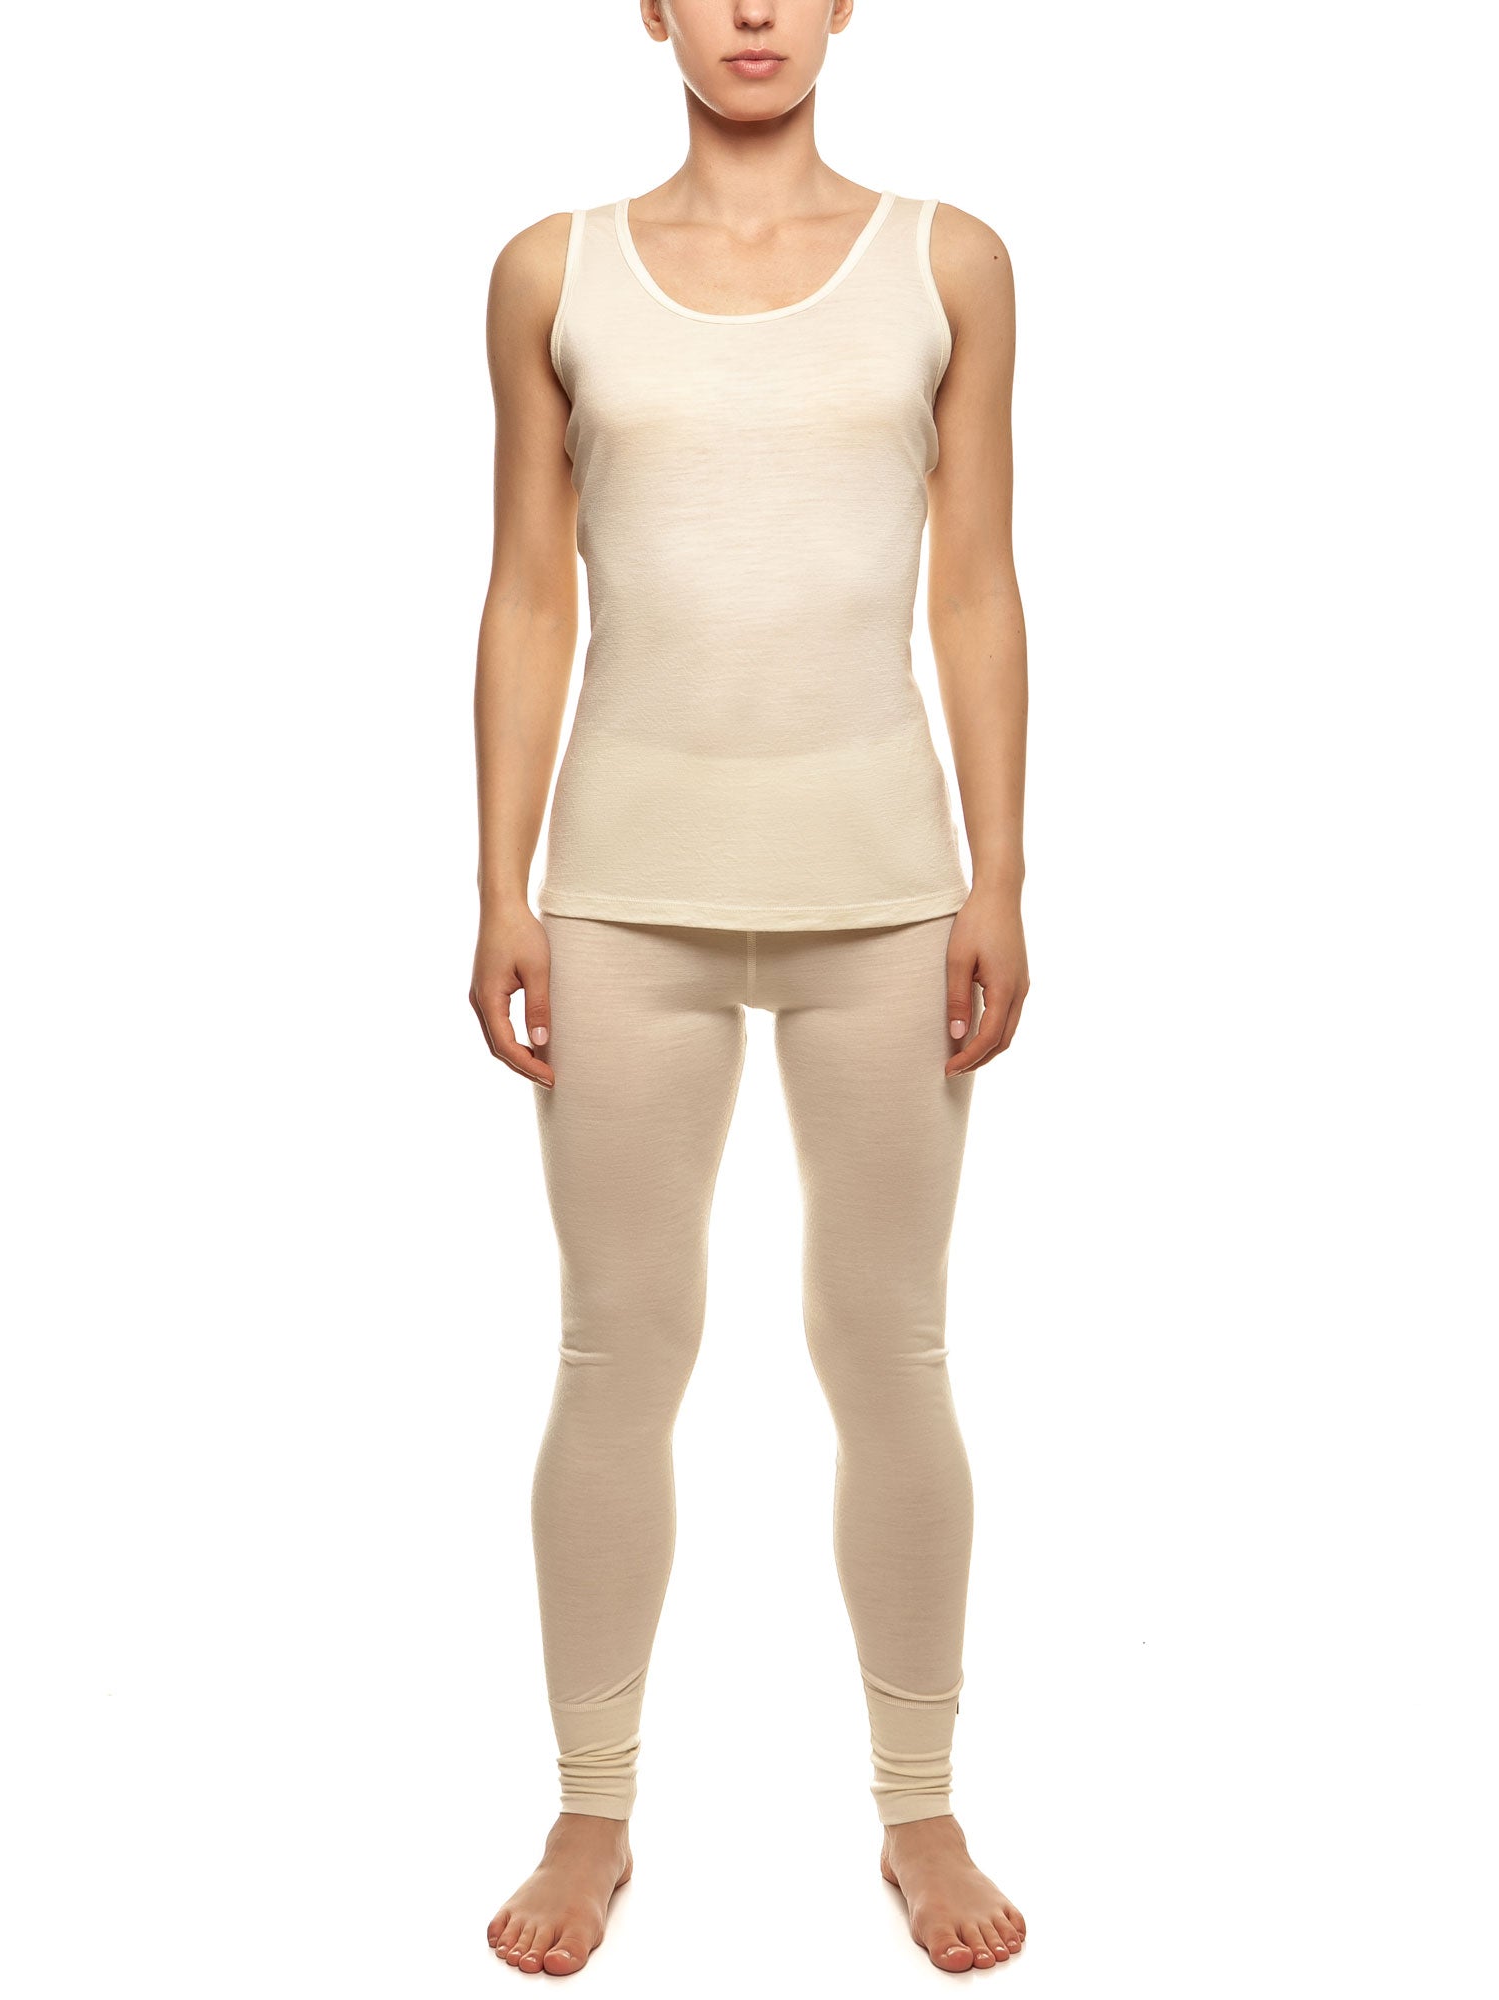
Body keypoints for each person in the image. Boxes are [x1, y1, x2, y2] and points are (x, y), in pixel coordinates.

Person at [468, 1, 1030, 1976]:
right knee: (619, 1349)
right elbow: (530, 586)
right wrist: (501, 884)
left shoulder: (950, 262)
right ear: (651, 7)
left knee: (889, 1350)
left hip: (883, 889)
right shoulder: (553, 272)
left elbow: (976, 581)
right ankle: (591, 1801)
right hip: (624, 889)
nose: (757, 13)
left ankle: (920, 1801)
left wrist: (998, 873)